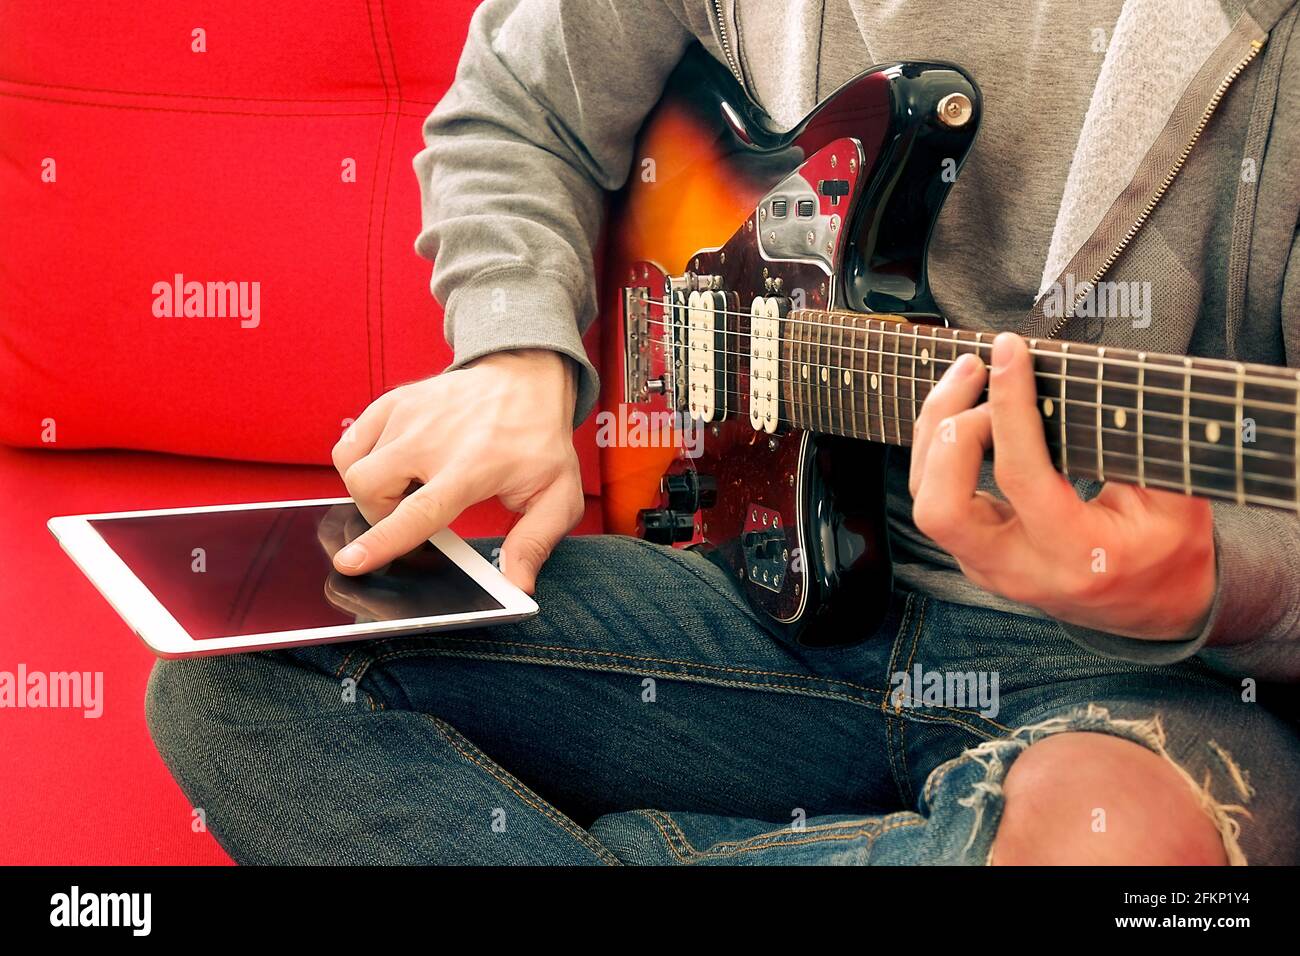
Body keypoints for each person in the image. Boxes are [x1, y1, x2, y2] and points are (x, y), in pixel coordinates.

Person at [146, 0, 1300, 864]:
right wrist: (516, 354)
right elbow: (518, 105)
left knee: (1134, 859)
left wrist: (1226, 580)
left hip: (1146, 683)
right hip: (762, 592)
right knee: (234, 673)